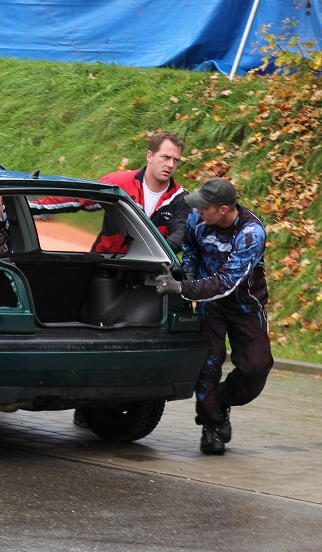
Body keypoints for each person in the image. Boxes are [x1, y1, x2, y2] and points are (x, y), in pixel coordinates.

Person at [155, 178, 273, 455]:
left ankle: (220, 400)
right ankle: (210, 424)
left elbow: (226, 283)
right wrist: (189, 273)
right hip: (211, 306)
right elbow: (192, 249)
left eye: (204, 207)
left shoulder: (251, 233)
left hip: (245, 305)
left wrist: (183, 288)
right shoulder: (198, 218)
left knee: (257, 367)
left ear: (222, 210)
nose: (197, 211)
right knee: (209, 363)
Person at [97, 131, 190, 253]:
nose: (171, 165)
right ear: (149, 156)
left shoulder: (181, 198)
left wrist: (155, 254)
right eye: (165, 157)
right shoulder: (119, 183)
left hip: (150, 267)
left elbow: (179, 234)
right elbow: (78, 198)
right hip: (105, 262)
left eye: (176, 160)